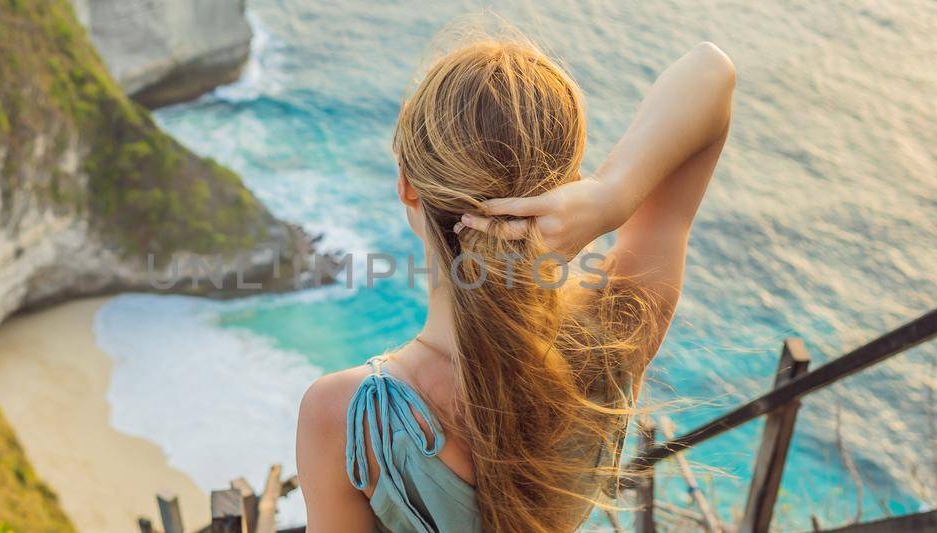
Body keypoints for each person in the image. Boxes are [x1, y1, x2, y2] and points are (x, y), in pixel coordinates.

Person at [294, 36, 736, 532]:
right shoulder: (611, 339)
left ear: (407, 188)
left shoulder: (349, 414)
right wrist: (610, 196)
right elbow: (710, 72)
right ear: (565, 189)